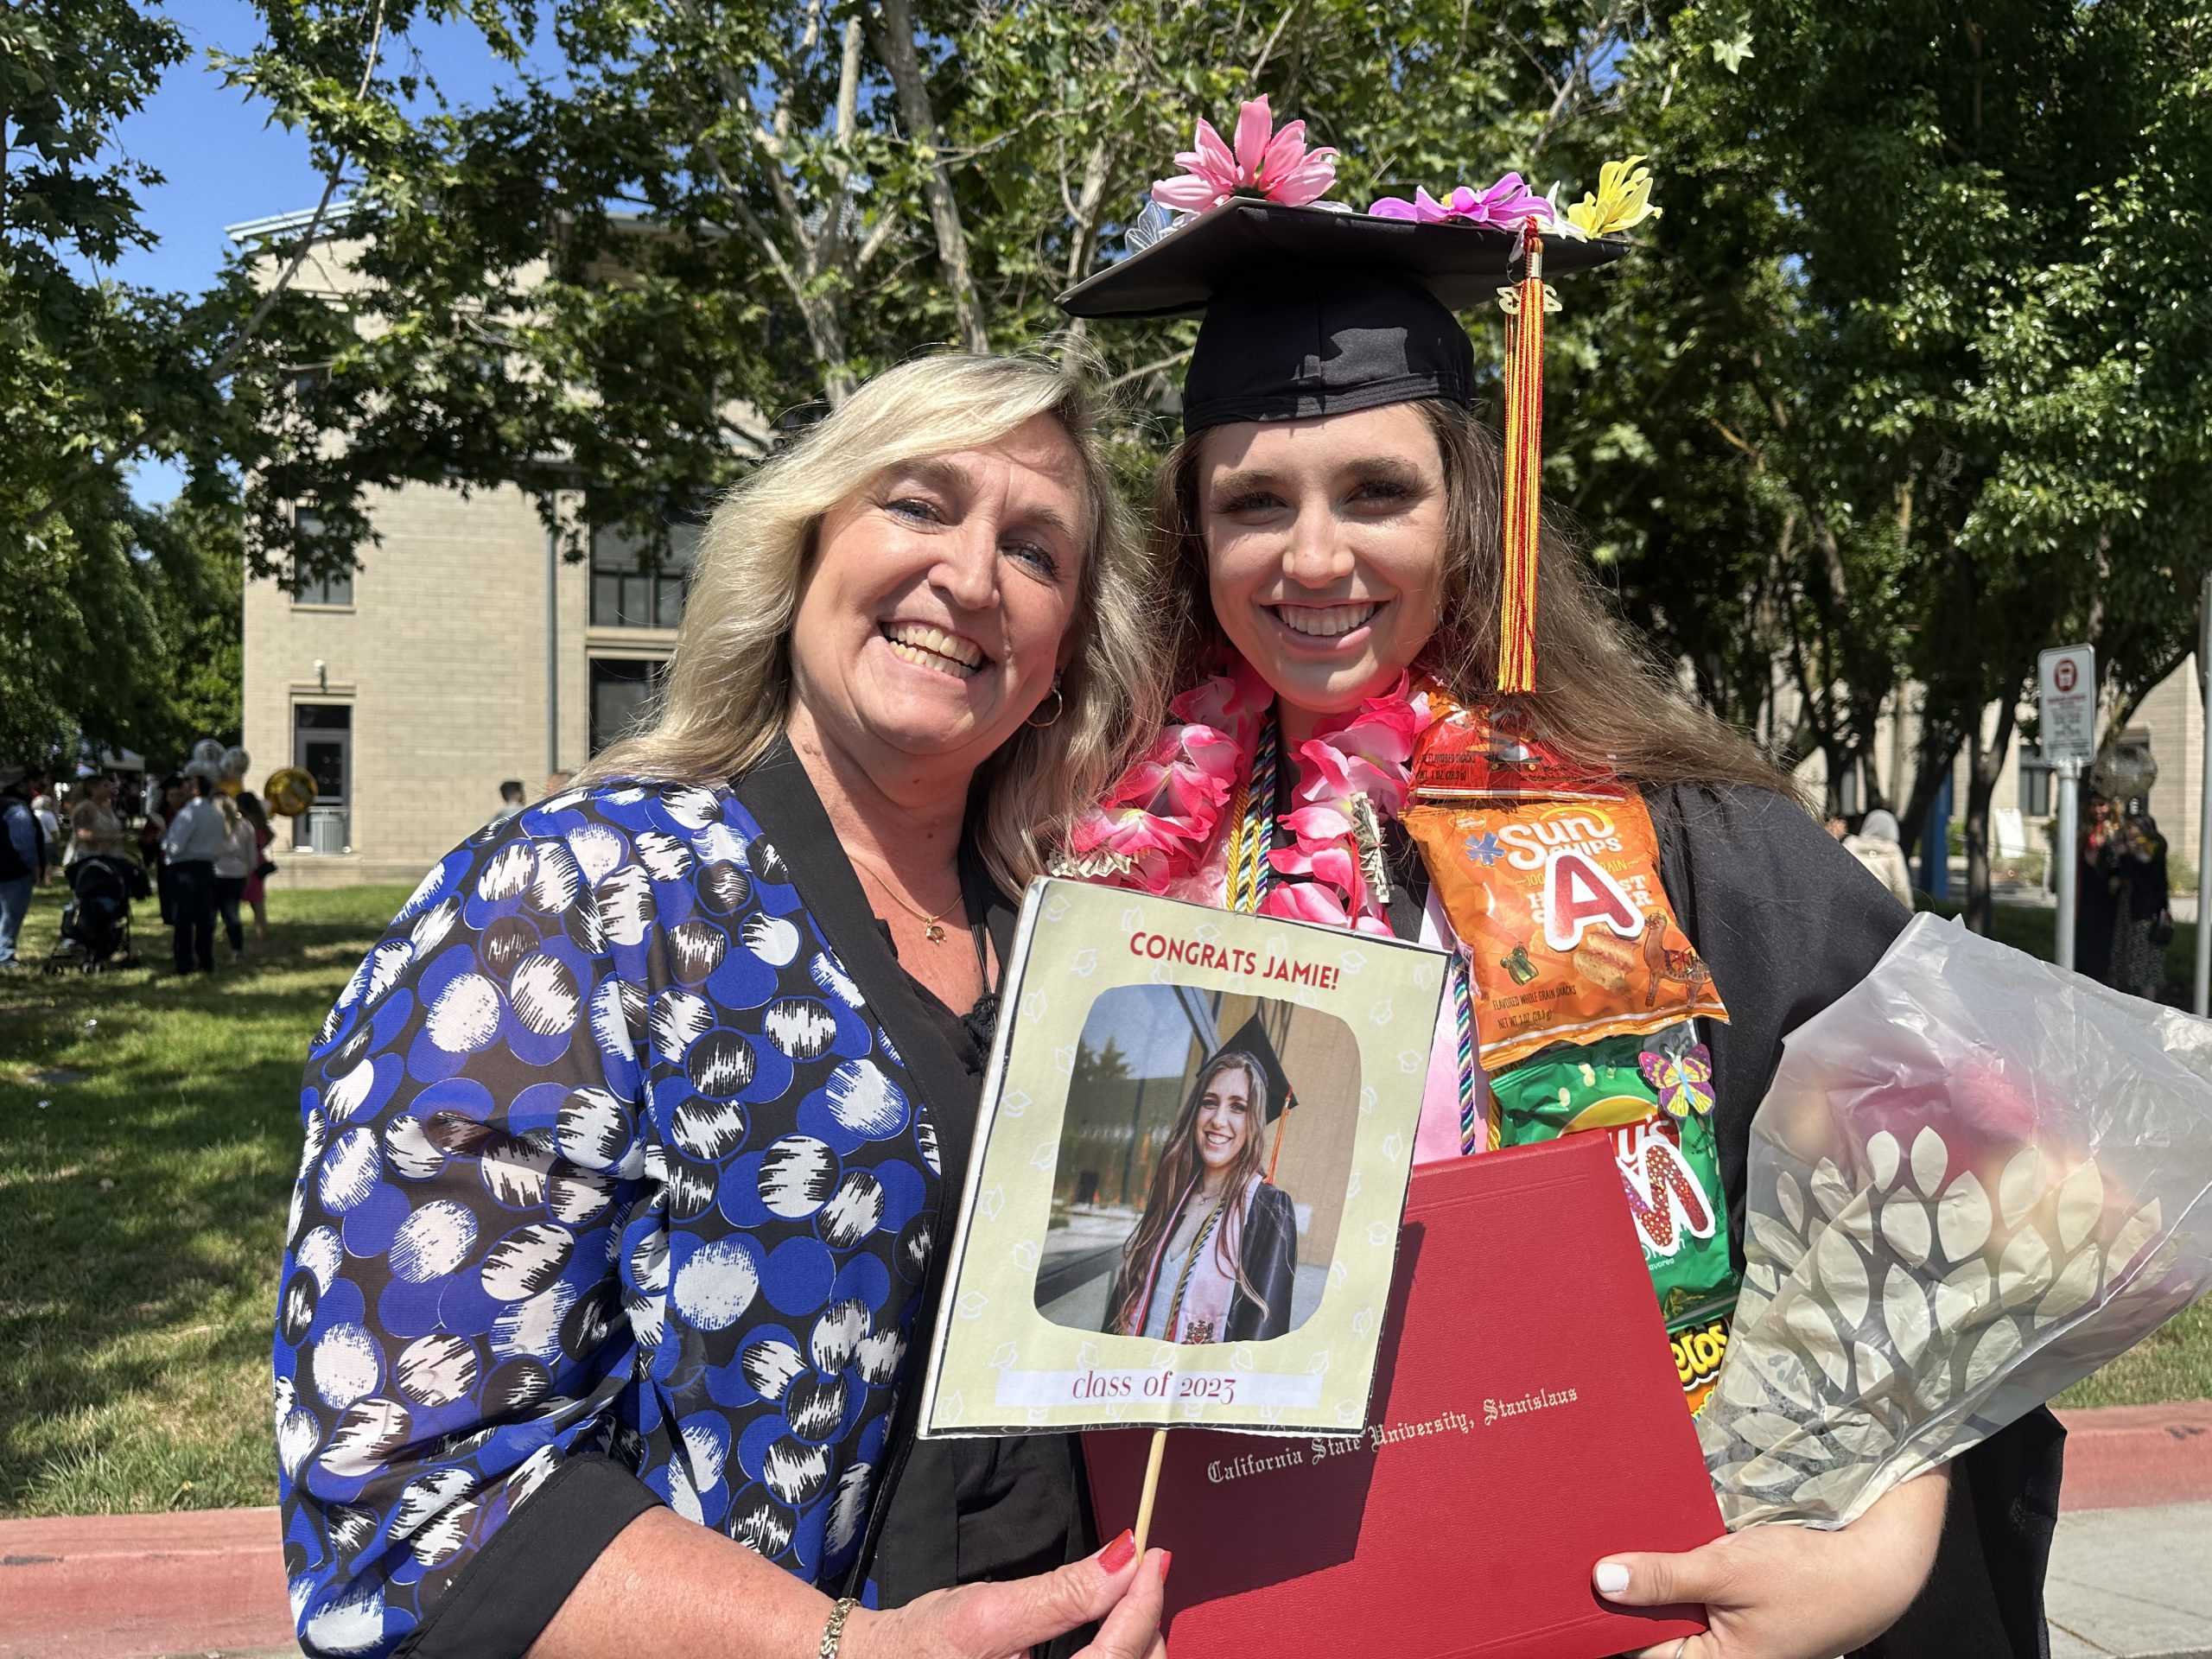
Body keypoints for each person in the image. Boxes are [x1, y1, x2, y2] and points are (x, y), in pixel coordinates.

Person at [1058, 135, 2055, 1658]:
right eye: (1255, 503)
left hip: (1633, 1601)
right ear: (1195, 531)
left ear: (1470, 507)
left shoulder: (1673, 830)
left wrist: (1874, 1538)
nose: (1312, 555)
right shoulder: (1126, 855)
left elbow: (1976, 1146)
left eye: (1375, 490)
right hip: (1273, 1606)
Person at [271, 353, 1171, 1659]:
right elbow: (409, 1480)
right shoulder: (573, 896)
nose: (972, 578)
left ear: (1064, 652)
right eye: (918, 506)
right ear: (800, 552)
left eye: (1035, 552)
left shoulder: (1075, 939)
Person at [1106, 1049, 1295, 1344]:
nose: (1218, 1120)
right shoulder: (1172, 1193)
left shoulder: (1266, 1211)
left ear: (1254, 1121)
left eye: (1238, 1107)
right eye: (1209, 1103)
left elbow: (1260, 1340)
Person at [160, 768, 229, 974]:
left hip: (185, 869)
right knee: (204, 919)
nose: (184, 788)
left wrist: (165, 844)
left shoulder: (189, 812)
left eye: (188, 784)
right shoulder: (216, 813)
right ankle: (206, 960)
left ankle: (184, 963)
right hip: (207, 869)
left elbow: (175, 845)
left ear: (196, 789)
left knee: (184, 919)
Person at [2107, 809, 2171, 1001]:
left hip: (2145, 912)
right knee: (2126, 959)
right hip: (2130, 909)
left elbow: (2143, 875)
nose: (2128, 833)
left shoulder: (2152, 846)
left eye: (2132, 829)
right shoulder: (2133, 848)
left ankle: (2143, 1006)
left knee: (2143, 964)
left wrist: (2126, 855)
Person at [2075, 791, 2124, 983]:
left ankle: (2101, 978)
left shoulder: (2116, 831)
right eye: (2094, 805)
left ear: (2111, 807)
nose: (2097, 810)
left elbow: (2119, 866)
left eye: (2102, 805)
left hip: (2106, 894)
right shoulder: (2086, 830)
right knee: (2085, 938)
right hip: (2086, 891)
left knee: (2102, 939)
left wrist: (2097, 864)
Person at [0, 767, 47, 969]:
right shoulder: (17, 809)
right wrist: (34, 865)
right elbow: (23, 841)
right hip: (14, 870)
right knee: (11, 914)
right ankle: (4, 955)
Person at [211, 791, 255, 959]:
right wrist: (248, 873)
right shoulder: (246, 826)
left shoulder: (211, 827)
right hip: (237, 874)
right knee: (232, 914)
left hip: (215, 872)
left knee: (209, 914)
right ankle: (237, 949)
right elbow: (252, 857)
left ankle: (206, 950)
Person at [1842, 808, 1915, 909]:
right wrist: (1908, 908)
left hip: (1849, 902)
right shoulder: (1892, 850)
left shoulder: (1850, 844)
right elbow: (1900, 886)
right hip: (1879, 907)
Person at [238, 791, 275, 944]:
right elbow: (271, 835)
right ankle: (262, 933)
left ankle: (256, 935)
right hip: (259, 862)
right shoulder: (259, 819)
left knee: (242, 900)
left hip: (246, 863)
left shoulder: (244, 822)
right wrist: (260, 847)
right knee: (258, 902)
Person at [68, 773, 129, 865]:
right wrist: (111, 837)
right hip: (91, 860)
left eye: (110, 785)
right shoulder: (86, 807)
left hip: (111, 859)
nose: (110, 788)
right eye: (105, 786)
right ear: (92, 788)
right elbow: (81, 834)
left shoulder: (107, 806)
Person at [30, 790, 61, 885]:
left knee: (36, 862)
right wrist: (57, 841)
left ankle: (37, 880)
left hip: (34, 841)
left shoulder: (32, 814)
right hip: (47, 842)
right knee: (48, 862)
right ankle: (47, 880)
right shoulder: (48, 815)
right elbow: (54, 831)